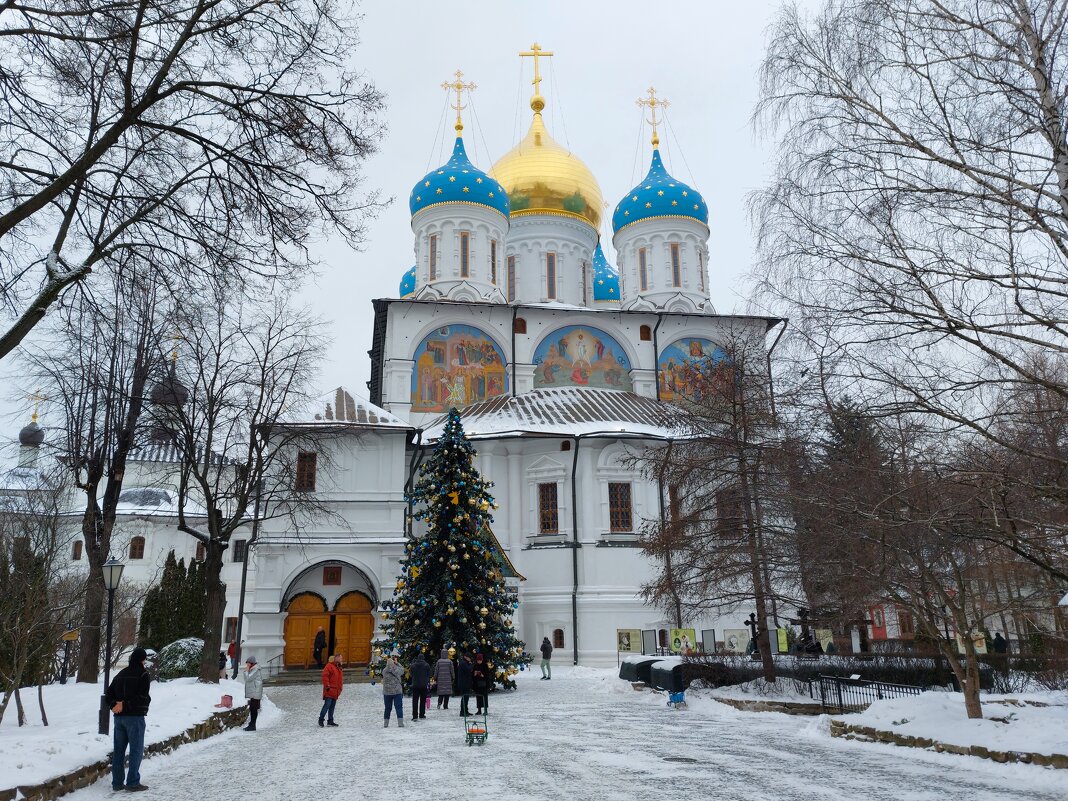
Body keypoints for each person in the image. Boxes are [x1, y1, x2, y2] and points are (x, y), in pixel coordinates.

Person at [106, 647, 152, 792]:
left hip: (119, 718)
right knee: (136, 750)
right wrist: (125, 705)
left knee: (119, 751)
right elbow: (142, 697)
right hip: (135, 717)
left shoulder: (121, 674)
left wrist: (115, 705)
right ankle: (132, 782)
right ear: (142, 659)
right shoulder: (143, 674)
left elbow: (108, 693)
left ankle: (117, 783)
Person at [318, 652, 343, 727]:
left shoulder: (339, 667)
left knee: (332, 707)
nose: (342, 659)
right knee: (327, 706)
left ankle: (330, 721)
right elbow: (325, 676)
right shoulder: (329, 666)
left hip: (336, 690)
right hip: (330, 690)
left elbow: (340, 680)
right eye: (341, 658)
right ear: (337, 658)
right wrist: (327, 686)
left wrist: (340, 688)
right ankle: (321, 720)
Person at [382, 652, 404, 727]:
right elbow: (402, 670)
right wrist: (397, 663)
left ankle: (386, 723)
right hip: (397, 692)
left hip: (387, 693)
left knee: (387, 708)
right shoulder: (397, 669)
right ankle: (400, 723)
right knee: (399, 707)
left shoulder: (384, 671)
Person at [409, 651, 431, 721]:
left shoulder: (413, 665)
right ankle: (422, 714)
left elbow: (411, 674)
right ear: (423, 658)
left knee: (415, 701)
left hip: (415, 685)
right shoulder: (427, 665)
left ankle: (415, 715)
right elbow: (429, 675)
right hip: (423, 685)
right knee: (423, 700)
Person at [243, 656, 264, 732]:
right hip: (254, 692)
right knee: (252, 709)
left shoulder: (255, 669)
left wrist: (246, 671)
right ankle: (251, 724)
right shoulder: (253, 669)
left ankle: (253, 725)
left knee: (254, 709)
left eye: (248, 664)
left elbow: (248, 679)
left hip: (255, 692)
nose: (247, 665)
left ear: (251, 663)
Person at [456, 652, 474, 717]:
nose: (470, 659)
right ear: (466, 657)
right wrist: (471, 665)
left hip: (465, 683)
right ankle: (462, 712)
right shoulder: (463, 663)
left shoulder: (465, 662)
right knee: (465, 698)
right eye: (469, 658)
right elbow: (468, 670)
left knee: (466, 698)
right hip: (464, 683)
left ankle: (465, 711)